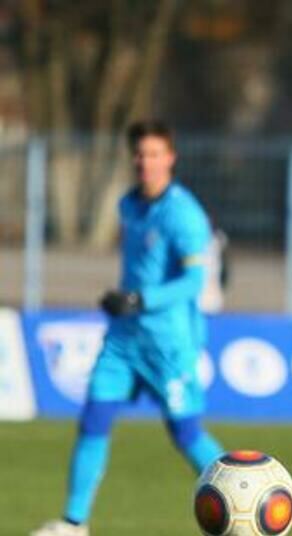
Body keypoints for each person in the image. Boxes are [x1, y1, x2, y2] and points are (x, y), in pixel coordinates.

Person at [33, 121, 224, 536]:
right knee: (94, 419)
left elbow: (194, 282)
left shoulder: (184, 214)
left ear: (170, 158)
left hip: (168, 343)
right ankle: (73, 523)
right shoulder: (128, 205)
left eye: (154, 154)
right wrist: (123, 298)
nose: (145, 162)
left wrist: (140, 299)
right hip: (123, 340)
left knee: (185, 432)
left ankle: (243, 506)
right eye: (139, 153)